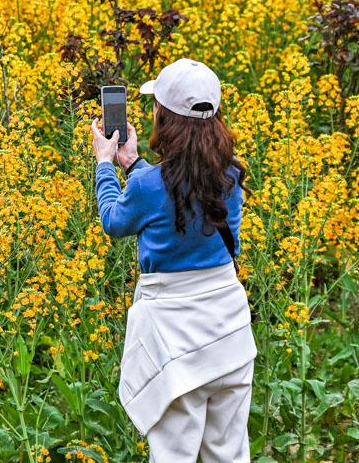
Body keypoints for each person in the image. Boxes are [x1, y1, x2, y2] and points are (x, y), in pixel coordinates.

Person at [89, 58, 256, 463]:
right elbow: (183, 195)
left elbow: (114, 220)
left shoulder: (150, 186)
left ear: (164, 116)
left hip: (174, 338)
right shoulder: (231, 175)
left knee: (173, 456)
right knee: (229, 454)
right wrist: (134, 164)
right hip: (229, 333)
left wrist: (105, 165)